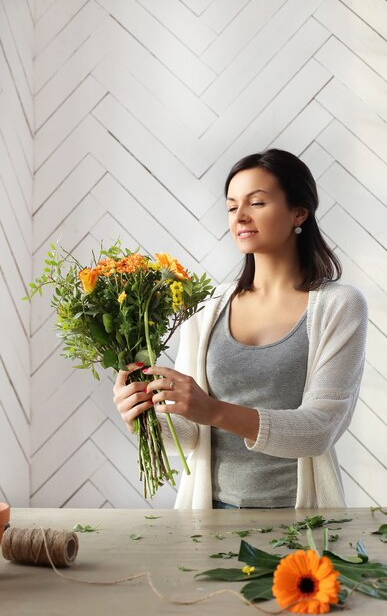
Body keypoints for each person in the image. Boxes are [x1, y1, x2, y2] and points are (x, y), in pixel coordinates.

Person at [113, 149, 368, 510]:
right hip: (209, 512)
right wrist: (145, 416)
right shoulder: (206, 306)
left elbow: (320, 430)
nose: (241, 217)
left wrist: (213, 410)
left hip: (299, 517)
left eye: (257, 202)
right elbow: (190, 434)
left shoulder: (339, 305)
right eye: (232, 207)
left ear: (299, 212)